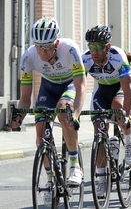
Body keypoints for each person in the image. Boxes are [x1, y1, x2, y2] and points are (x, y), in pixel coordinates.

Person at [11, 17, 87, 205]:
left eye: (47, 47)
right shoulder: (28, 57)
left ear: (56, 44)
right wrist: (18, 116)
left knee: (64, 112)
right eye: (39, 47)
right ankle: (49, 180)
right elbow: (25, 97)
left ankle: (74, 164)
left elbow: (82, 87)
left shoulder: (70, 50)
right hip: (48, 88)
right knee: (40, 133)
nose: (42, 53)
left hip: (69, 85)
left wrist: (76, 114)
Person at [82, 25, 131, 197]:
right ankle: (101, 180)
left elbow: (128, 90)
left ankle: (128, 142)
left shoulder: (117, 57)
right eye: (91, 47)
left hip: (120, 88)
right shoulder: (86, 60)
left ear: (107, 47)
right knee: (99, 133)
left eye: (99, 47)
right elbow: (78, 87)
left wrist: (127, 117)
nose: (95, 51)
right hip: (102, 92)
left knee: (117, 108)